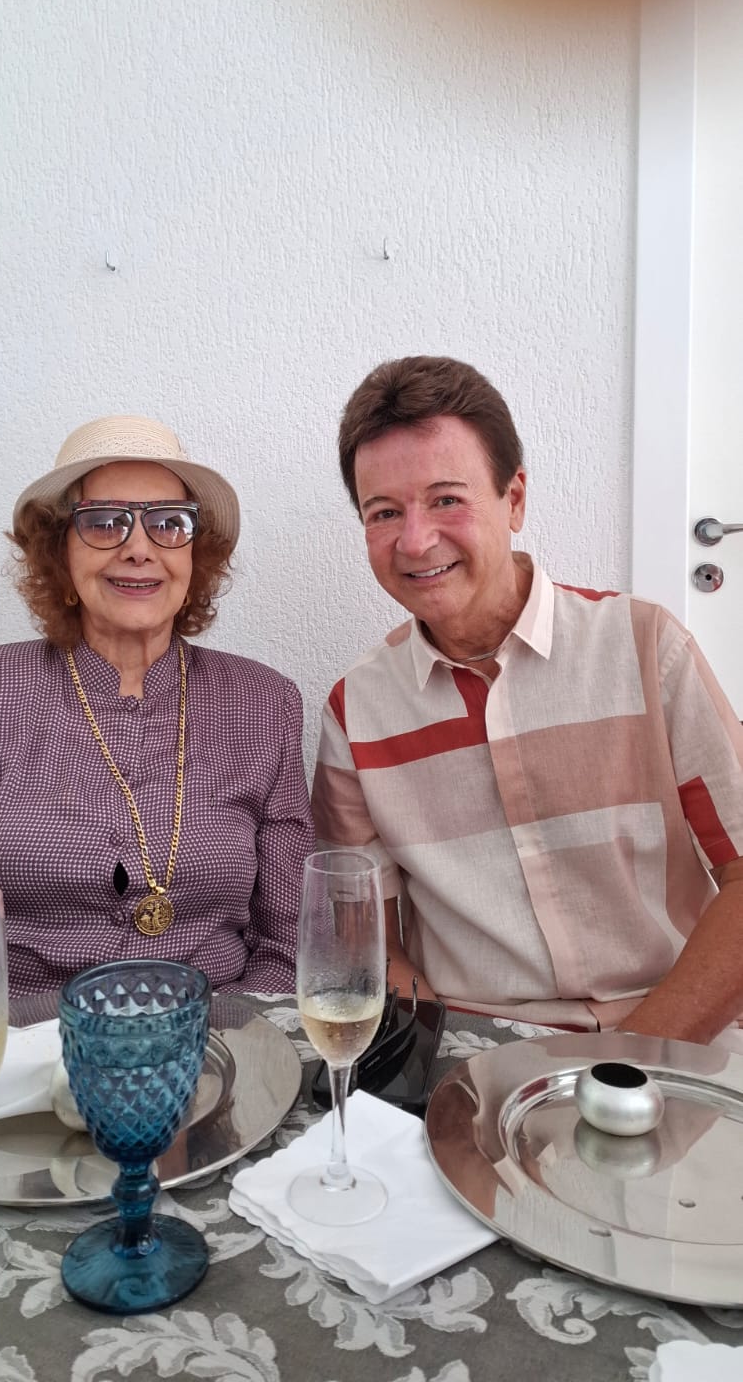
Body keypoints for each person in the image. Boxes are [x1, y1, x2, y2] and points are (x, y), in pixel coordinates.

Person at [311, 356, 743, 1047]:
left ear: (514, 498)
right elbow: (369, 944)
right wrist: (435, 1057)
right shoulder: (354, 712)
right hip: (475, 1048)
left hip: (674, 1035)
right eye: (384, 512)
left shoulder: (646, 648)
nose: (416, 541)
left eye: (446, 499)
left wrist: (630, 1060)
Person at [0, 415, 314, 995]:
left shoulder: (265, 704)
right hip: (12, 1036)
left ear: (196, 556)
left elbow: (287, 950)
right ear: (59, 552)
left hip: (210, 1034)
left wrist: (226, 1036)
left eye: (169, 523)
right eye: (103, 522)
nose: (139, 549)